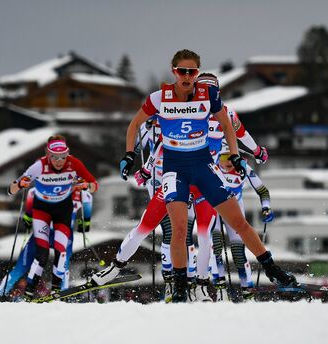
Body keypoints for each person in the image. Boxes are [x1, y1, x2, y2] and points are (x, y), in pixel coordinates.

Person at [118, 49, 297, 302]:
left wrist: (237, 154)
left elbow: (230, 126)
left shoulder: (210, 98)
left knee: (237, 224)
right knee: (179, 230)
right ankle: (180, 286)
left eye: (192, 72)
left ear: (198, 75)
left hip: (203, 168)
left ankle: (271, 269)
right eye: (183, 71)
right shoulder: (160, 99)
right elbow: (137, 127)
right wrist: (131, 157)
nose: (187, 77)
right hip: (174, 170)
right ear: (174, 72)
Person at [8, 134, 98, 298]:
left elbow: (94, 186)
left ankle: (57, 290)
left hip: (63, 210)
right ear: (48, 155)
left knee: (61, 251)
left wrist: (86, 186)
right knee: (41, 253)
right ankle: (30, 288)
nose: (59, 160)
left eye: (63, 156)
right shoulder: (39, 166)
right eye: (55, 157)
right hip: (42, 211)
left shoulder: (74, 163)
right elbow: (11, 189)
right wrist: (20, 184)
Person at [0, 187, 93, 301]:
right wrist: (28, 216)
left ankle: (61, 295)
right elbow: (31, 195)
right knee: (21, 267)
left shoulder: (83, 195)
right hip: (42, 232)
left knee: (63, 266)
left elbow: (86, 214)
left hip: (64, 234)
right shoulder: (41, 189)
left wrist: (84, 223)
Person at [210, 146, 274, 301]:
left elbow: (263, 190)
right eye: (223, 158)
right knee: (216, 246)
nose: (228, 163)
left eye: (231, 157)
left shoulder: (243, 168)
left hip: (235, 212)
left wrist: (266, 208)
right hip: (215, 210)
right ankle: (220, 288)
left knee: (238, 253)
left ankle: (248, 289)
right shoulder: (211, 166)